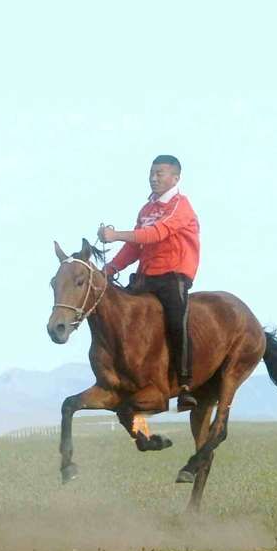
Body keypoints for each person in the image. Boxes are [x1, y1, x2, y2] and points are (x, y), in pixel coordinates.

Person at [97, 155, 202, 409]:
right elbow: (136, 246)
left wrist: (115, 235)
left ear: (175, 178)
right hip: (146, 276)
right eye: (152, 173)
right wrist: (110, 269)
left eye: (160, 174)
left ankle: (185, 383)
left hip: (173, 276)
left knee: (177, 322)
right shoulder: (147, 210)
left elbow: (156, 234)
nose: (154, 178)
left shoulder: (180, 206)